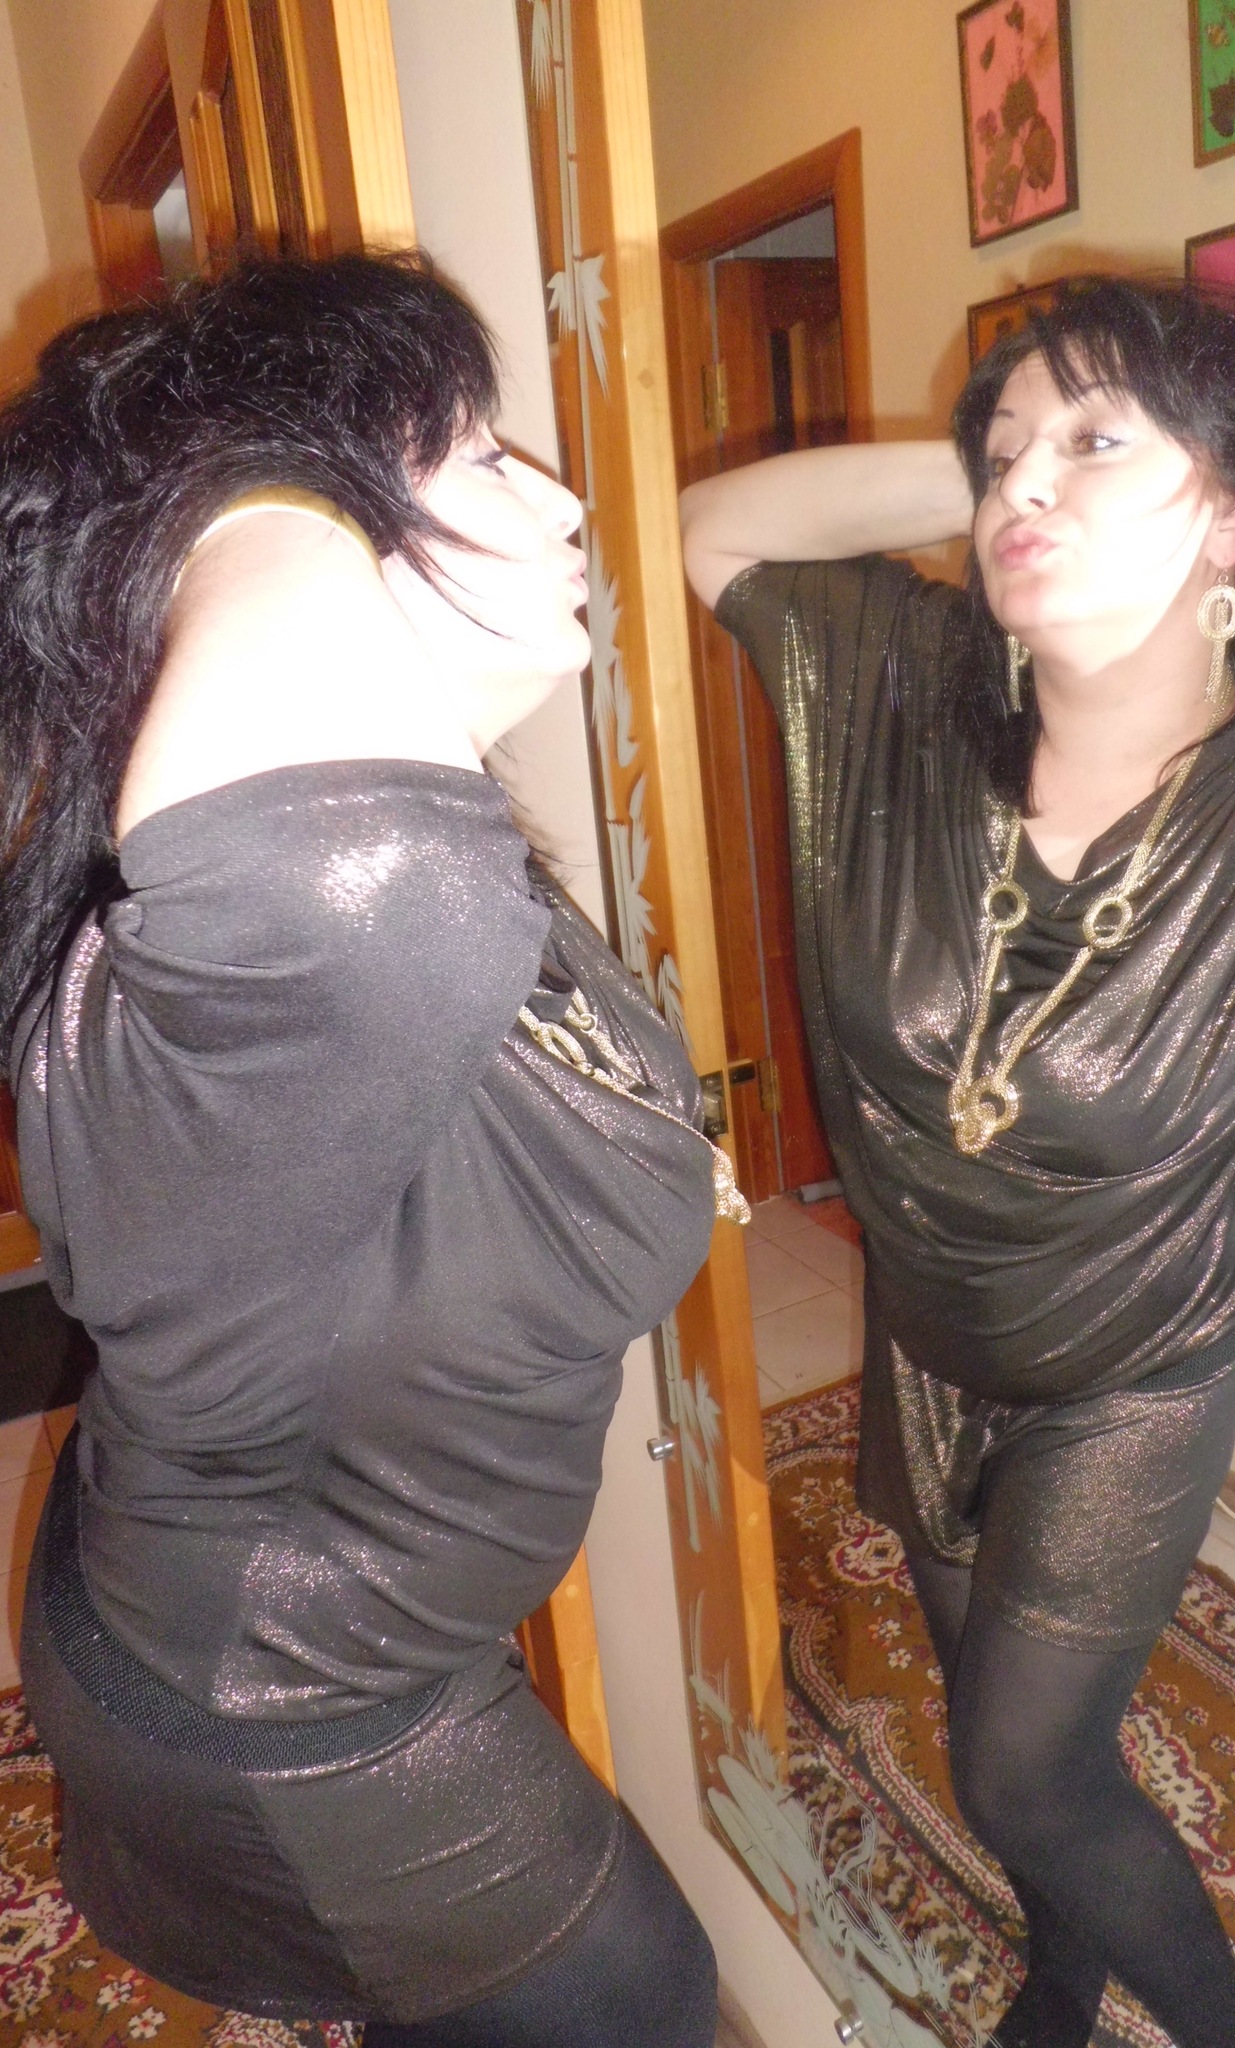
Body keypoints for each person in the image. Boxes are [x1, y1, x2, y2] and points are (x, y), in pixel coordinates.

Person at [678, 273, 1235, 2048]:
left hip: (1136, 1364)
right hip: (931, 1337)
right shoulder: (905, 693)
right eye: (1003, 451)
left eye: (1093, 442)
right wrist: (999, 478)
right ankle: (1063, 1971)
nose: (1022, 485)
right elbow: (714, 532)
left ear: (1234, 514)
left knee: (1025, 1769)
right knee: (993, 1729)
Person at [0, 252, 732, 2046]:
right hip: (292, 1701)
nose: (558, 499)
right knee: (639, 2002)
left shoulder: (443, 861)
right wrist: (236, 470)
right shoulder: (313, 939)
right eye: (473, 453)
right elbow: (365, 891)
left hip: (288, 1597)